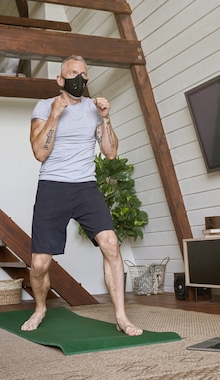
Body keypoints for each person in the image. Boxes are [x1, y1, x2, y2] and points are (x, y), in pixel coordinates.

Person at [21, 55, 143, 336]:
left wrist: (105, 118)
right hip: (53, 185)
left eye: (84, 74)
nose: (80, 79)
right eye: (73, 73)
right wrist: (55, 113)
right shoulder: (44, 106)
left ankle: (122, 317)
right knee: (40, 264)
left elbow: (111, 153)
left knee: (111, 244)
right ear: (60, 80)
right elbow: (40, 152)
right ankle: (40, 308)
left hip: (85, 186)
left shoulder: (94, 108)